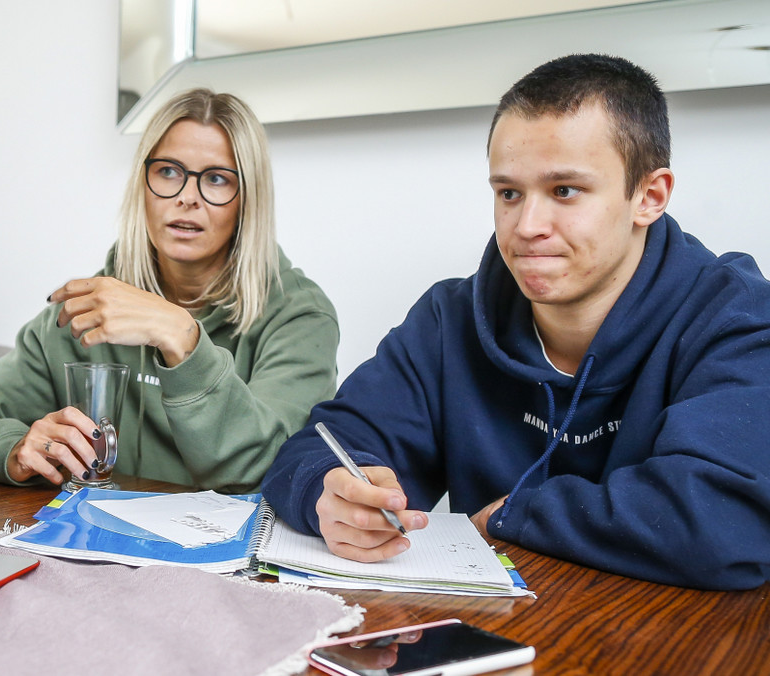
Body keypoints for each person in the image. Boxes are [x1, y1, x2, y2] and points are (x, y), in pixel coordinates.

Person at [263, 54, 770, 590]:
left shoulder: (736, 316)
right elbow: (318, 445)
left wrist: (514, 516)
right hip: (492, 641)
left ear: (649, 196)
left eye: (564, 191)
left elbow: (724, 522)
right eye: (508, 193)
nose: (527, 226)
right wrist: (330, 490)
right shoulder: (449, 318)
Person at [0, 88, 339, 494]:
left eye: (217, 179)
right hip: (92, 545)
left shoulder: (300, 317)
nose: (187, 198)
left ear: (248, 200)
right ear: (144, 184)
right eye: (168, 171)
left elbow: (270, 472)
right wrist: (16, 450)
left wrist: (181, 336)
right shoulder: (89, 309)